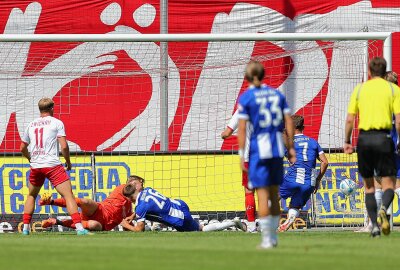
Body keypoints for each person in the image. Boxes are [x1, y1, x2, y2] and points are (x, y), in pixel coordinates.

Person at [237, 61, 296, 249]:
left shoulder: (247, 98)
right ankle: (275, 237)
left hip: (259, 150)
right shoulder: (277, 95)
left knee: (262, 195)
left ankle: (266, 239)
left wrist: (240, 155)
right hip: (277, 148)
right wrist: (292, 148)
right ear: (263, 75)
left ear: (247, 77)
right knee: (274, 194)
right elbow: (289, 121)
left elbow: (243, 128)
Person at [344, 57, 400, 237]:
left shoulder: (360, 89)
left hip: (364, 139)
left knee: (369, 186)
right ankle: (384, 209)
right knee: (389, 184)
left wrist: (347, 141)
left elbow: (350, 119)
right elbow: (398, 120)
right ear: (384, 72)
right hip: (385, 139)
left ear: (369, 71)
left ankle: (374, 225)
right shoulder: (393, 90)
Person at [20, 97, 89, 235]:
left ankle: (26, 229)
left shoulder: (31, 124)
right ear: (52, 108)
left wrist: (31, 159)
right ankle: (80, 229)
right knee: (68, 195)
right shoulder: (57, 122)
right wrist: (68, 162)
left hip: (36, 165)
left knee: (32, 195)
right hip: (52, 165)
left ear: (39, 109)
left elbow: (22, 147)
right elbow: (64, 146)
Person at [120, 178, 246, 232]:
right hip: (178, 204)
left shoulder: (140, 206)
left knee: (201, 230)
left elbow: (139, 229)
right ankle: (157, 226)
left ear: (131, 198)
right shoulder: (147, 190)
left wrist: (126, 225)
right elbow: (148, 206)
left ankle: (233, 222)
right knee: (198, 226)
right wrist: (133, 216)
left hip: (178, 217)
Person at [278, 115, 329, 232]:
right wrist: (317, 180)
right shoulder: (313, 142)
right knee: (295, 205)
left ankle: (261, 223)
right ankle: (290, 219)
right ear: (303, 127)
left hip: (294, 176)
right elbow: (325, 162)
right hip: (309, 181)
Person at [40, 175, 143, 231]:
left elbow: (127, 224)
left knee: (94, 225)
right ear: (130, 184)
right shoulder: (122, 188)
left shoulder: (130, 206)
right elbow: (131, 190)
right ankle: (51, 201)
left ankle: (55, 221)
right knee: (86, 201)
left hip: (102, 225)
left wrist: (133, 224)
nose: (141, 186)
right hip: (100, 209)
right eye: (138, 183)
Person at [221, 110, 257, 232]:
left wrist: (225, 134)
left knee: (249, 191)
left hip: (250, 158)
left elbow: (226, 133)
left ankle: (252, 225)